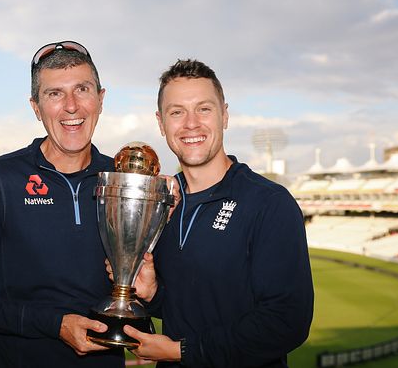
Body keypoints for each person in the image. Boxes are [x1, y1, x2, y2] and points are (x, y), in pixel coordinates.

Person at [0, 41, 124, 367]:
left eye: (82, 89)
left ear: (101, 99)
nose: (72, 106)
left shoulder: (124, 180)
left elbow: (159, 294)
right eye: (55, 94)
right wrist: (54, 325)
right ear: (35, 107)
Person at [121, 59, 314, 367]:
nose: (191, 123)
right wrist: (153, 292)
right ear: (161, 123)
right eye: (177, 112)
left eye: (204, 109)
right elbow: (191, 305)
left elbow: (286, 321)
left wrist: (181, 351)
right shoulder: (162, 203)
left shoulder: (268, 203)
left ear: (225, 115)